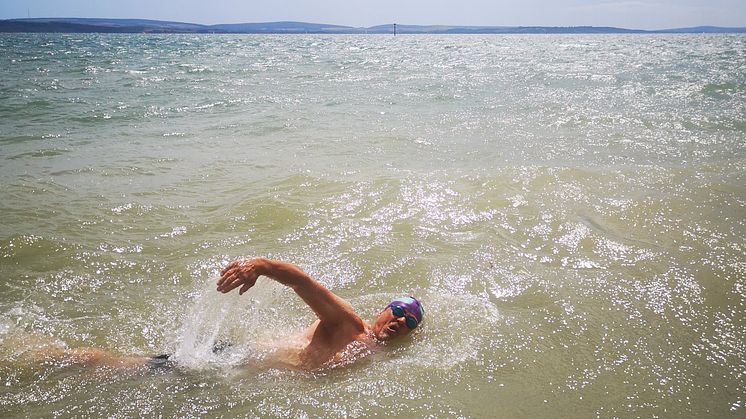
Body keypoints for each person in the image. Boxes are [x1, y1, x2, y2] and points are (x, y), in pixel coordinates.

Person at [38, 257, 424, 371]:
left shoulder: (378, 354)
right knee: (116, 368)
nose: (401, 323)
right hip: (226, 361)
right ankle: (37, 356)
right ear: (382, 311)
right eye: (398, 313)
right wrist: (260, 266)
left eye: (409, 324)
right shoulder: (350, 324)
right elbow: (305, 283)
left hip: (237, 368)